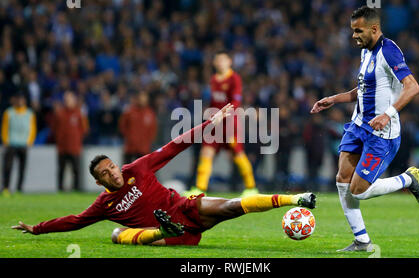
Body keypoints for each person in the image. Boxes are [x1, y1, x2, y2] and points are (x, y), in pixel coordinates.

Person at [11, 104, 316, 246]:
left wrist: (210, 125)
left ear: (117, 166)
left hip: (182, 207)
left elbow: (174, 146)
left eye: (112, 167)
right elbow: (74, 221)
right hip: (169, 235)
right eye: (105, 174)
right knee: (117, 235)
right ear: (99, 182)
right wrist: (37, 229)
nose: (113, 174)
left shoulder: (137, 168)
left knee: (232, 206)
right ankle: (161, 232)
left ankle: (296, 197)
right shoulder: (103, 206)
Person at [310, 6, 419, 252]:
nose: (353, 36)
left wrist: (388, 114)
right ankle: (362, 240)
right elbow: (361, 90)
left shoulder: (390, 51)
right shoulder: (365, 52)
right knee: (342, 179)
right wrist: (334, 98)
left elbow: (413, 87)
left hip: (381, 134)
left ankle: (407, 178)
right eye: (353, 30)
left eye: (358, 31)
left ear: (374, 28)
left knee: (359, 191)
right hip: (359, 125)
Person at [184, 51, 258, 197]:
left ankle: (251, 188)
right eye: (217, 61)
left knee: (237, 154)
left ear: (229, 62)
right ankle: (200, 188)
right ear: (214, 63)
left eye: (223, 60)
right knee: (206, 153)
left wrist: (223, 114)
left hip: (229, 123)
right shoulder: (213, 80)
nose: (220, 63)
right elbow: (214, 102)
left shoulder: (234, 79)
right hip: (215, 123)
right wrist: (209, 112)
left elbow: (236, 101)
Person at [51, 91, 89, 192]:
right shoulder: (59, 113)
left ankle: (76, 188)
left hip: (74, 147)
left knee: (76, 169)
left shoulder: (79, 113)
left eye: (69, 99)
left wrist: (77, 140)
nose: (67, 101)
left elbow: (84, 129)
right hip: (62, 147)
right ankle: (60, 189)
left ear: (74, 100)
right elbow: (54, 128)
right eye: (66, 99)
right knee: (61, 170)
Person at [1, 93, 36, 196]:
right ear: (15, 101)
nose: (20, 102)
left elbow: (32, 128)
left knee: (22, 168)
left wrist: (29, 141)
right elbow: (4, 127)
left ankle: (20, 188)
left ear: (24, 101)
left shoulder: (29, 113)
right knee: (7, 167)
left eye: (22, 100)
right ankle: (6, 188)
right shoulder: (9, 112)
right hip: (11, 144)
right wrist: (6, 141)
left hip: (23, 144)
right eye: (18, 100)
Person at [118, 91, 158, 164]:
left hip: (144, 149)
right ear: (138, 99)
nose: (143, 100)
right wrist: (128, 137)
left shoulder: (150, 113)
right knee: (127, 171)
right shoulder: (129, 111)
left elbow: (153, 130)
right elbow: (122, 125)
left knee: (141, 172)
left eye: (145, 98)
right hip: (130, 147)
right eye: (141, 98)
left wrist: (148, 141)